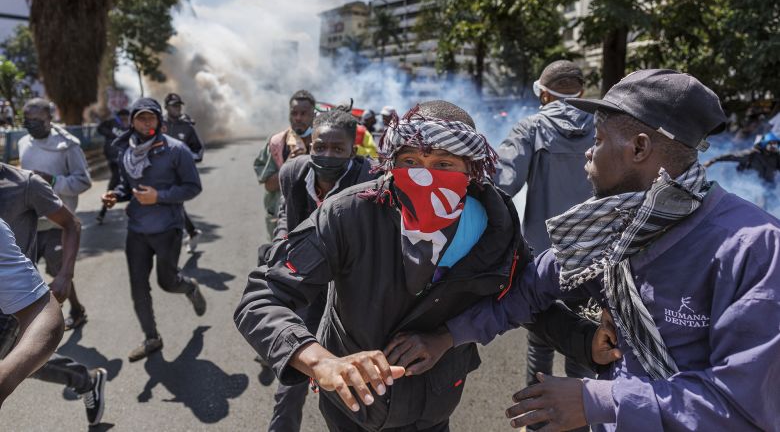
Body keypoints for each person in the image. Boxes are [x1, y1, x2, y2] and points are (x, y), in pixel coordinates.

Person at [396, 70, 780, 431]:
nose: (587, 154)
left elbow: (741, 405)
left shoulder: (754, 246)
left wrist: (599, 399)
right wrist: (445, 337)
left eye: (597, 140)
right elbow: (527, 290)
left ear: (640, 148)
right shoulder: (606, 229)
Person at [236, 100, 609, 431]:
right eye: (410, 162)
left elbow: (523, 296)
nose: (423, 176)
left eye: (443, 164)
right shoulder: (350, 214)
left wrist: (585, 341)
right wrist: (321, 363)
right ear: (391, 165)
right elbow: (262, 296)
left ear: (470, 170)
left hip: (436, 403)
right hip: (353, 411)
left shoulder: (495, 224)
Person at [263, 106, 380, 432]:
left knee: (357, 376)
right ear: (309, 144)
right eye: (320, 147)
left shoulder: (372, 178)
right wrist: (281, 249)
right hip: (310, 283)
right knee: (294, 368)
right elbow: (286, 219)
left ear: (352, 151)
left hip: (354, 288)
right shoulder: (294, 173)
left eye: (338, 149)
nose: (327, 154)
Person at [494, 60, 596, 417]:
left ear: (545, 94)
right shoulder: (607, 126)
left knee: (540, 338)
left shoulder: (532, 127)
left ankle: (536, 418)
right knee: (585, 341)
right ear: (581, 92)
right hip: (598, 255)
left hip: (543, 255)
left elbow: (503, 185)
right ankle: (576, 418)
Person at [0, 162, 107, 425]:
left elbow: (71, 224)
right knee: (18, 359)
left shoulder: (26, 183)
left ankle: (85, 379)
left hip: (16, 296)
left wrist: (65, 275)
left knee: (16, 358)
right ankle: (87, 380)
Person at [101, 97, 206, 362]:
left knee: (167, 282)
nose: (146, 122)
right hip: (137, 229)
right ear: (132, 121)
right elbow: (128, 186)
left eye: (151, 117)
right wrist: (116, 194)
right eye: (141, 117)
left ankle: (190, 287)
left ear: (159, 120)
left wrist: (159, 195)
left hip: (168, 227)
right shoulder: (127, 151)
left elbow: (193, 187)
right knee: (138, 286)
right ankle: (152, 338)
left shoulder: (176, 150)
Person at [18, 98, 92, 331]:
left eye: (36, 120)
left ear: (50, 118)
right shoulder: (22, 143)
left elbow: (83, 181)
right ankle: (30, 320)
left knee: (59, 271)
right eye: (26, 120)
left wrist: (52, 180)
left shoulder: (68, 145)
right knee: (24, 271)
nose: (31, 124)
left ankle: (76, 310)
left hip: (58, 221)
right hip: (29, 220)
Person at [0, 218, 64, 407]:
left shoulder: (29, 186)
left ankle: (84, 380)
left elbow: (40, 308)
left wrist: (66, 274)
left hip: (11, 307)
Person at [253, 90, 316, 241]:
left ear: (313, 115)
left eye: (303, 113)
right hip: (283, 223)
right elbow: (269, 185)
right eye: (294, 113)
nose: (298, 118)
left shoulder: (326, 143)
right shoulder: (278, 143)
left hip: (316, 223)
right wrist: (290, 167)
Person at [163, 93, 204, 252]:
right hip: (160, 172)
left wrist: (186, 159)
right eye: (174, 105)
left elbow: (198, 150)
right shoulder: (159, 123)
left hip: (178, 174)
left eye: (179, 105)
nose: (177, 108)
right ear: (166, 107)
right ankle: (192, 232)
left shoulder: (187, 126)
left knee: (173, 203)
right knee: (172, 204)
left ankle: (173, 245)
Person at [703, 131, 779, 184]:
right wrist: (712, 160)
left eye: (775, 144)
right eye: (771, 143)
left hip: (768, 186)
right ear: (764, 143)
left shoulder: (776, 157)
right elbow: (731, 156)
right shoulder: (752, 154)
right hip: (748, 184)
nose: (774, 146)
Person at [96, 109, 130, 224]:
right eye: (122, 118)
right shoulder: (111, 123)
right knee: (114, 182)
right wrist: (110, 134)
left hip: (127, 161)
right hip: (113, 160)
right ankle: (103, 212)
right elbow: (100, 128)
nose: (124, 120)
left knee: (131, 183)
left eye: (126, 118)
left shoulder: (131, 126)